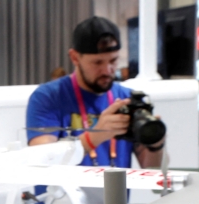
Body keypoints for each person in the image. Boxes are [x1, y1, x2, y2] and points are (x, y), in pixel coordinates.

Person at [27, 16, 165, 183]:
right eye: (97, 62)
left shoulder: (128, 99)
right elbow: (42, 161)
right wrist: (95, 136)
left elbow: (154, 178)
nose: (107, 70)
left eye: (113, 61)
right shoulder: (48, 97)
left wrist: (156, 144)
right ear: (75, 58)